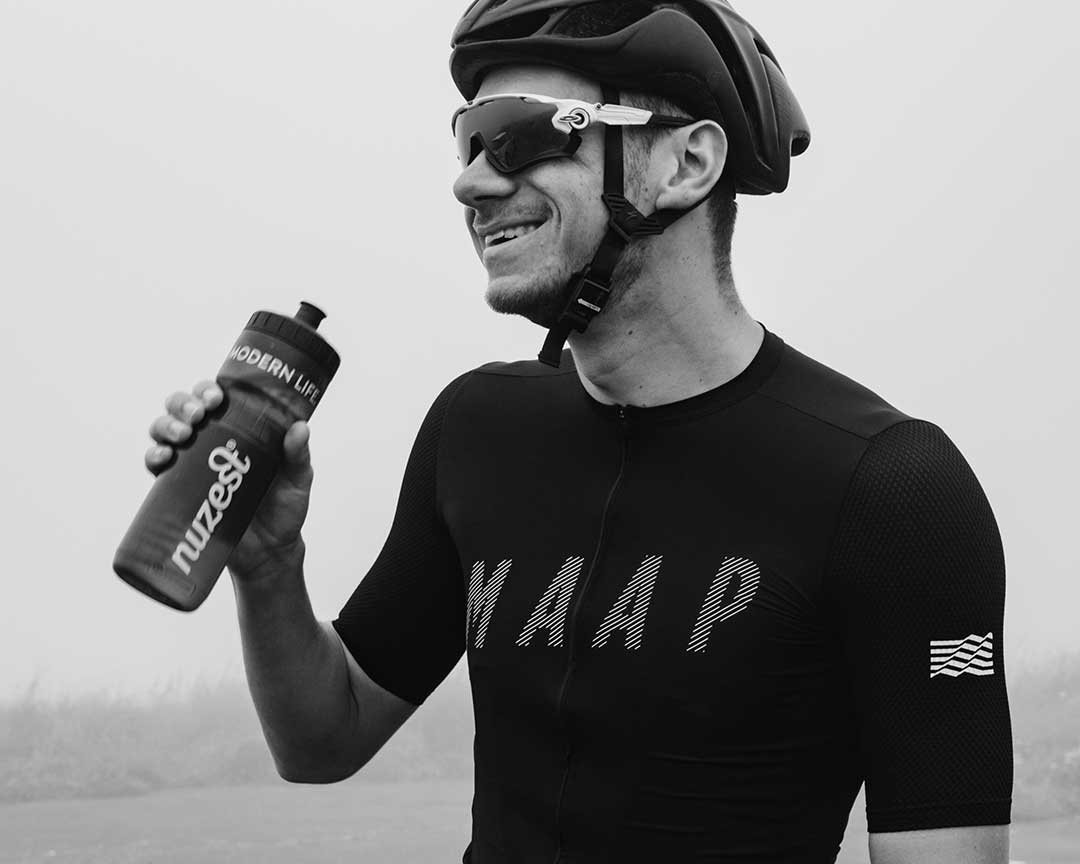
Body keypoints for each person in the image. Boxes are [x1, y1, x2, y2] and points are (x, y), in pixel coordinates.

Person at [145, 1, 1013, 861]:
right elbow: (322, 738)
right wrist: (267, 565)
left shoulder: (893, 491)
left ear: (686, 163)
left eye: (521, 134)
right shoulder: (478, 431)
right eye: (468, 141)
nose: (471, 182)